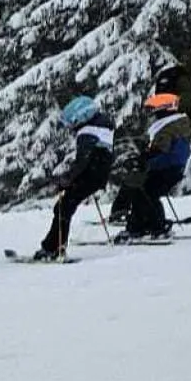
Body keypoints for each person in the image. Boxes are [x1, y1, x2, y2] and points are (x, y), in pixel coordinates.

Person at [29, 95, 114, 261]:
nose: (71, 126)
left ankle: (53, 248)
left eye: (72, 121)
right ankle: (52, 246)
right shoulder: (103, 126)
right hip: (97, 175)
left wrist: (68, 179)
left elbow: (83, 160)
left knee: (64, 207)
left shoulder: (88, 131)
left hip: (90, 175)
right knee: (64, 206)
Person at [120, 91, 191, 241]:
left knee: (146, 192)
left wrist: (141, 159)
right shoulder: (177, 123)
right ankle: (141, 226)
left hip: (167, 167)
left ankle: (155, 227)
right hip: (172, 167)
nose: (152, 114)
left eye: (154, 110)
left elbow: (160, 149)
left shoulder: (168, 127)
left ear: (163, 109)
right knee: (145, 191)